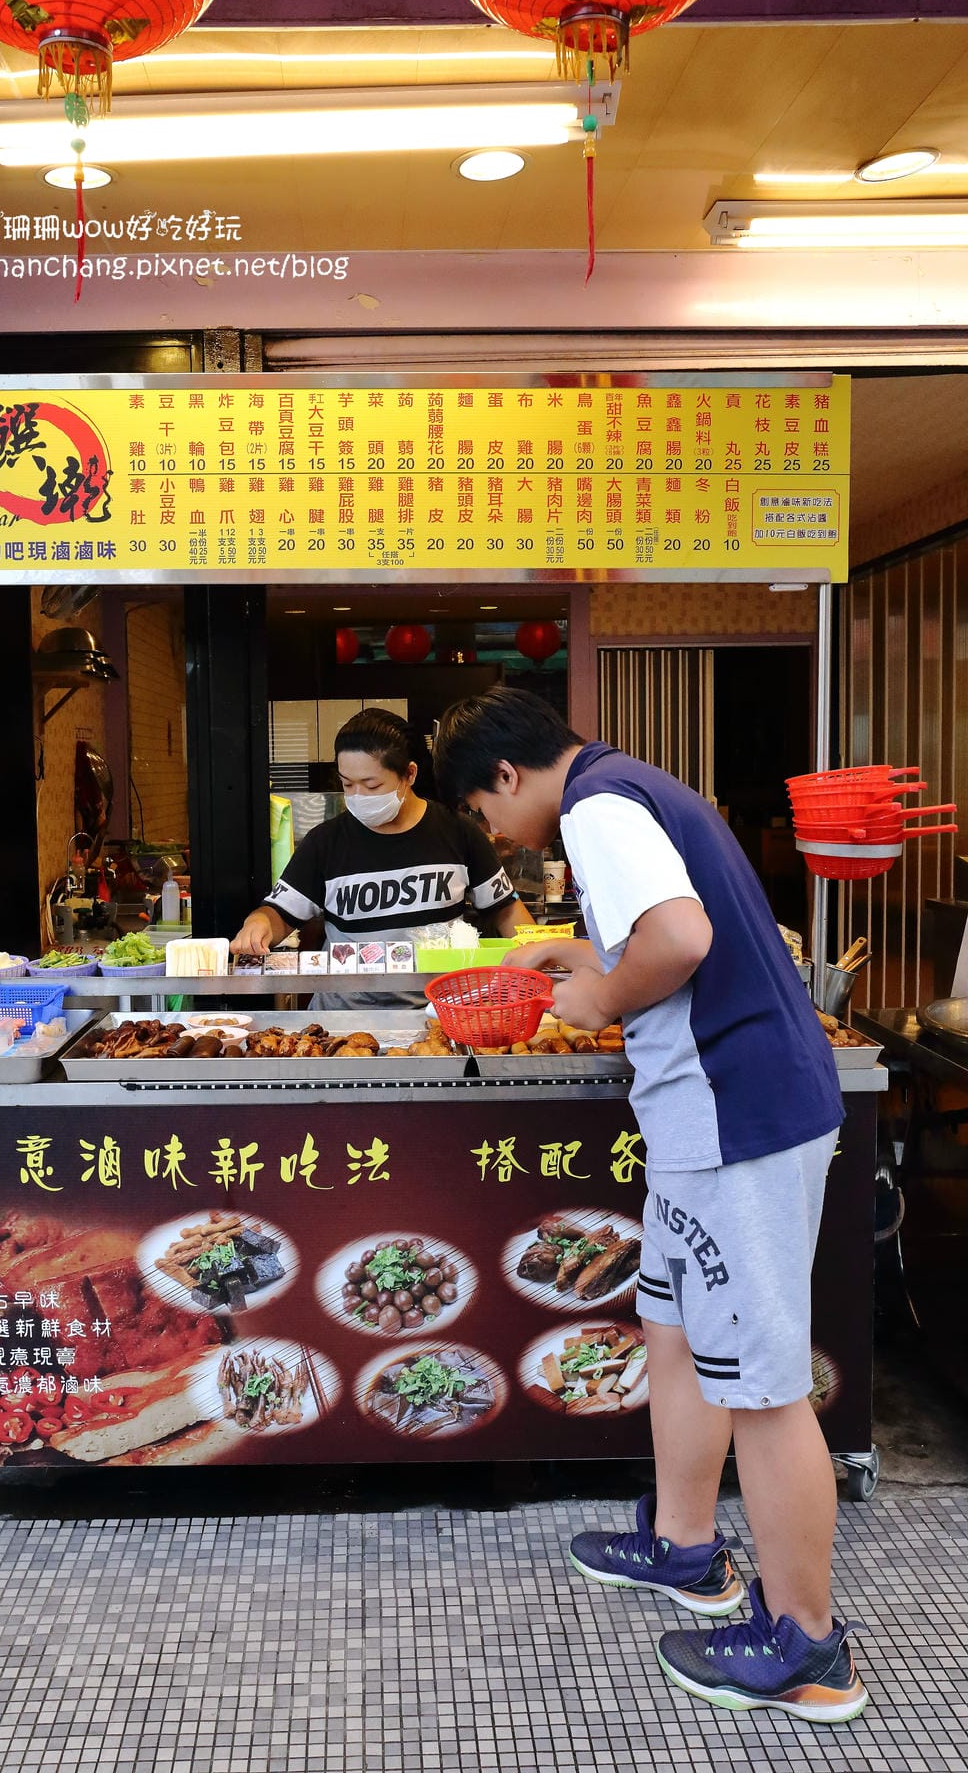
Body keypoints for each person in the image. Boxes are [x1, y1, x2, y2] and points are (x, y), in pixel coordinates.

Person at [433, 687, 867, 1725]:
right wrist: (576, 958)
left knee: (759, 1380)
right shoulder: (634, 783)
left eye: (485, 813)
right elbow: (663, 933)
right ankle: (684, 1548)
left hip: (737, 1120)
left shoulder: (595, 807)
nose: (495, 833)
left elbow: (677, 940)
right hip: (705, 1122)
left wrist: (599, 996)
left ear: (505, 775)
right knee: (670, 1327)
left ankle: (807, 1645)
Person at [232, 708, 533, 1009]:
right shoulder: (325, 842)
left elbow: (505, 910)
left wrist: (539, 962)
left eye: (372, 785)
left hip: (437, 1015)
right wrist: (258, 924)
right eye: (347, 784)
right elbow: (280, 914)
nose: (358, 796)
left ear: (409, 774)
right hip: (343, 1020)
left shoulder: (457, 832)